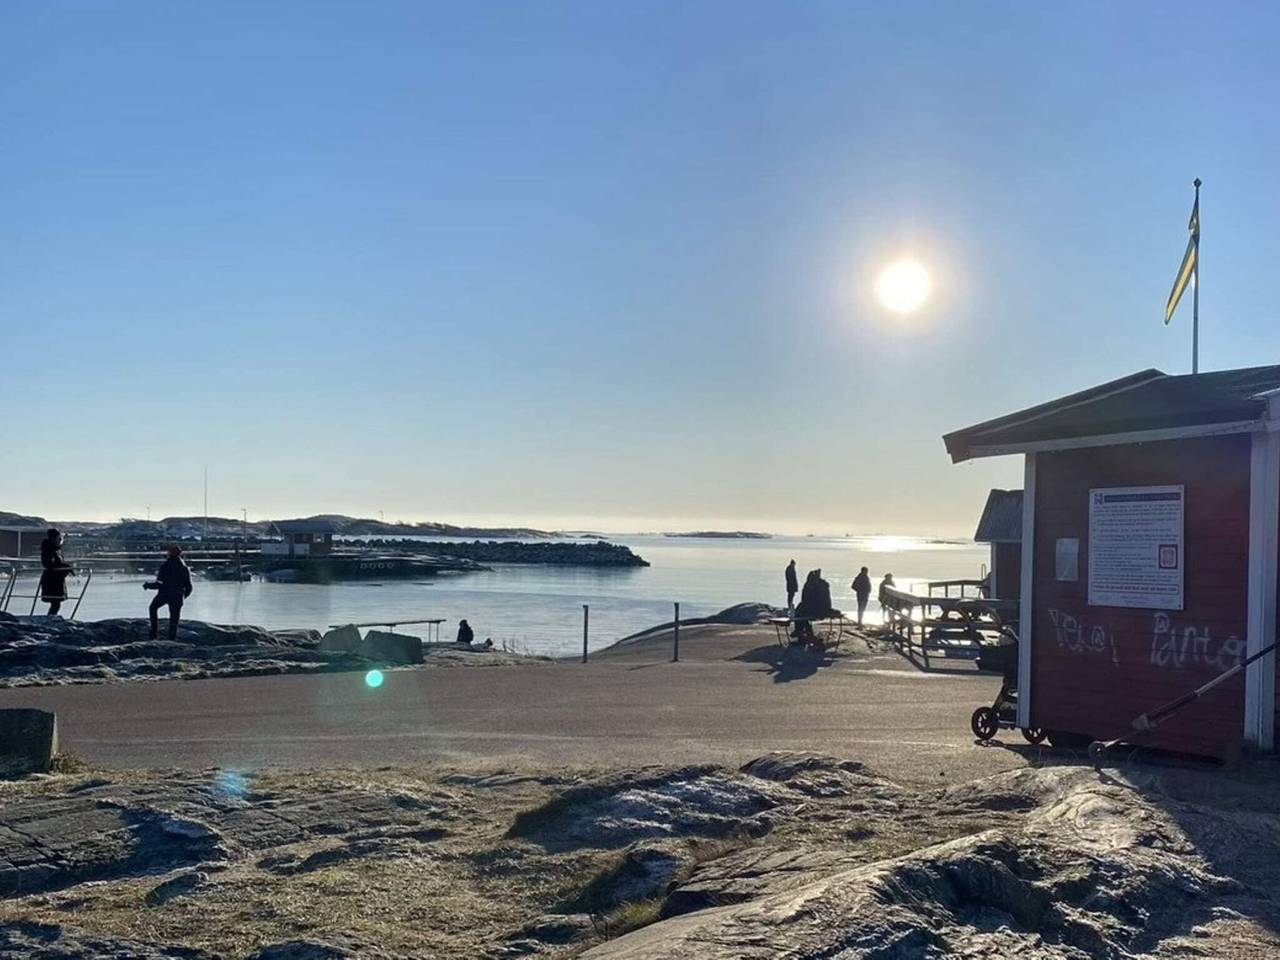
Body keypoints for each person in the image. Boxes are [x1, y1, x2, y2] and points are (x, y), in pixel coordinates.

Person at [146, 545, 193, 641]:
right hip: (177, 596)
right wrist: (183, 596)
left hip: (165, 594)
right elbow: (189, 586)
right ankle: (172, 638)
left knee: (153, 608)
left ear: (170, 554)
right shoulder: (184, 568)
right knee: (174, 618)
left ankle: (154, 633)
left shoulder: (165, 566)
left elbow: (159, 583)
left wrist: (148, 585)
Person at [39, 528, 74, 617]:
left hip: (56, 580)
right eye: (59, 538)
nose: (61, 540)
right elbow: (49, 564)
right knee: (55, 603)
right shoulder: (49, 549)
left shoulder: (56, 549)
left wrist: (66, 568)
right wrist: (64, 568)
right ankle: (50, 619)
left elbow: (58, 563)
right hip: (52, 580)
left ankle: (50, 618)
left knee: (56, 603)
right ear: (54, 538)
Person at [793, 568, 834, 644]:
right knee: (801, 612)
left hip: (818, 610)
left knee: (801, 613)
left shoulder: (812, 585)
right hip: (823, 609)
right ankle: (806, 634)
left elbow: (807, 600)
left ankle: (801, 632)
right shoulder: (822, 584)